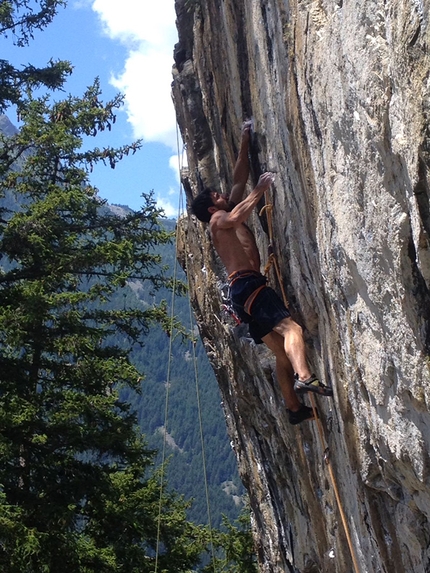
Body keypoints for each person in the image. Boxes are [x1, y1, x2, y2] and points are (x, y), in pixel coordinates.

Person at [191, 121, 332, 424]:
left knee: (282, 355)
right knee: (292, 330)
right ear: (211, 207)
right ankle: (305, 376)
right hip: (249, 285)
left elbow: (239, 176)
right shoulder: (220, 221)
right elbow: (241, 208)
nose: (222, 195)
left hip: (243, 295)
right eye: (216, 195)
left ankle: (294, 409)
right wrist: (261, 189)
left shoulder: (225, 216)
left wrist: (244, 138)